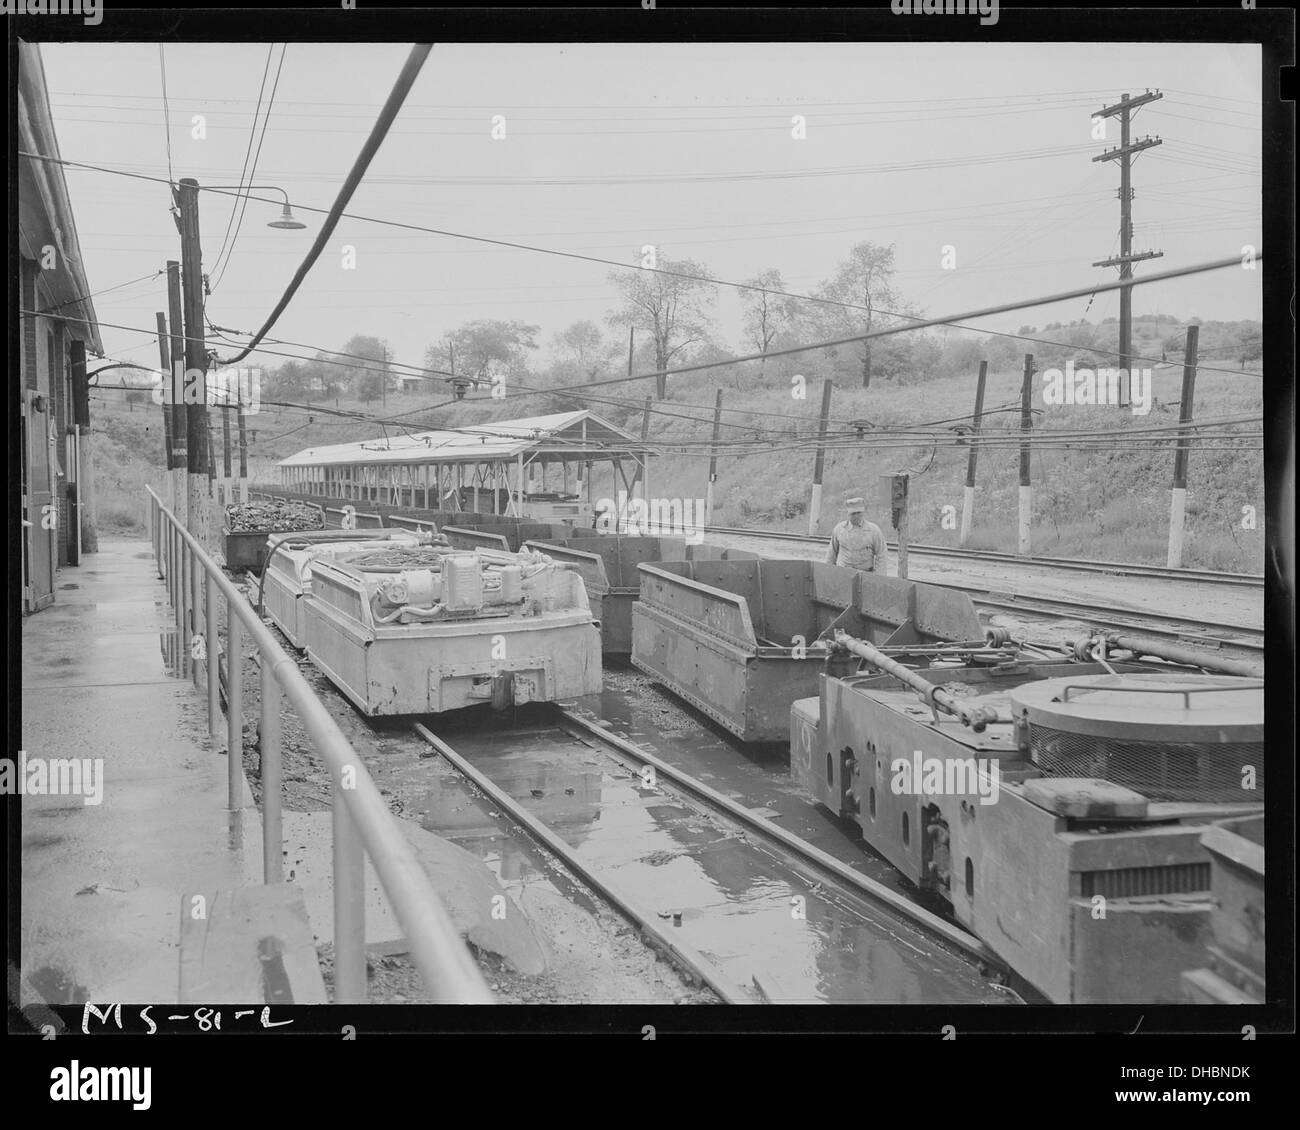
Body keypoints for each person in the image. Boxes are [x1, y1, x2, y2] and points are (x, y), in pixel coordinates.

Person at [826, 497, 887, 574]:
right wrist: (828, 572)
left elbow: (881, 554)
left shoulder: (874, 530)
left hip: (865, 574)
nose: (856, 516)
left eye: (859, 513)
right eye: (853, 514)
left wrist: (879, 576)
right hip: (843, 573)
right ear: (848, 513)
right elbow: (832, 553)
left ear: (863, 512)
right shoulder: (839, 529)